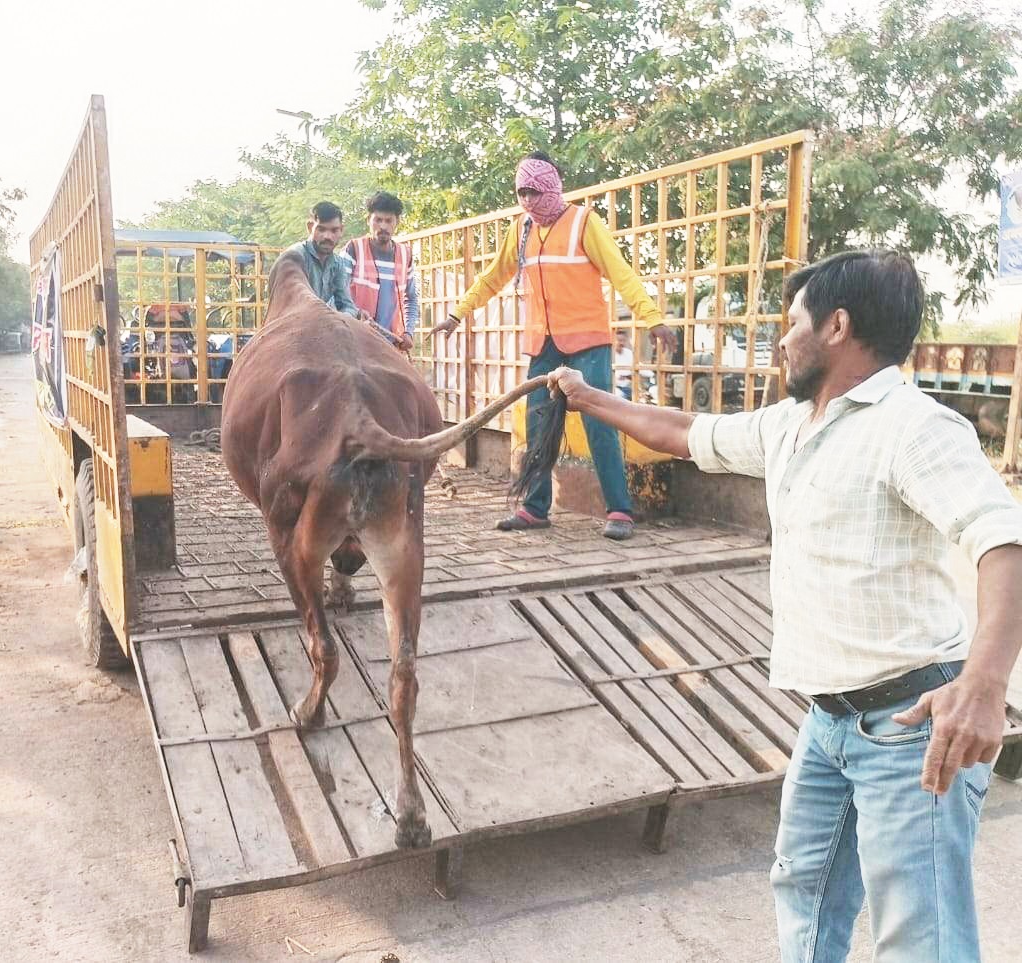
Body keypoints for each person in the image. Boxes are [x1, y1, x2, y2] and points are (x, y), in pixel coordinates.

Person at [544, 249, 1022, 962]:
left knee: (920, 936)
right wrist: (589, 398)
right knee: (803, 889)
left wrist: (984, 686)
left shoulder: (913, 426)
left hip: (911, 725)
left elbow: (1004, 540)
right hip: (827, 720)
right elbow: (682, 432)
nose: (778, 340)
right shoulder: (791, 425)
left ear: (836, 326)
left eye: (788, 322)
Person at [433, 150, 677, 540]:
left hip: (587, 342)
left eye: (534, 191)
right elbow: (492, 278)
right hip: (542, 345)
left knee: (601, 422)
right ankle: (535, 508)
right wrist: (457, 314)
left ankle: (619, 510)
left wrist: (653, 318)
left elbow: (620, 273)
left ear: (551, 187)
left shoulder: (584, 222)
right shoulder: (521, 229)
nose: (528, 200)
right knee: (539, 425)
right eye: (521, 192)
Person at [341, 191, 419, 351]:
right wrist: (356, 313)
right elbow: (336, 292)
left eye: (389, 220)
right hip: (354, 341)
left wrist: (408, 332)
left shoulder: (406, 254)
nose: (383, 226)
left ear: (397, 222)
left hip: (390, 345)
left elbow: (411, 299)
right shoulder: (354, 249)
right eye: (378, 220)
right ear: (368, 220)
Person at [286, 201, 362, 319]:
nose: (327, 236)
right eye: (321, 229)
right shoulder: (295, 257)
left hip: (323, 324)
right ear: (310, 227)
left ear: (341, 230)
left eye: (334, 230)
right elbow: (293, 305)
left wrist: (345, 318)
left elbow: (347, 306)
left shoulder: (338, 264)